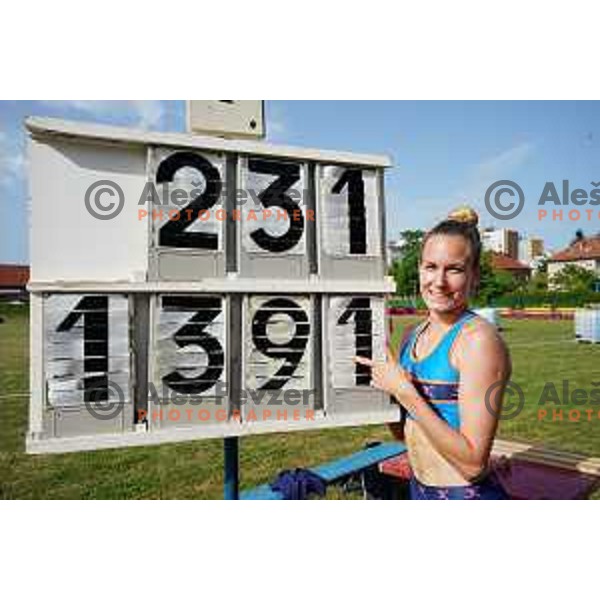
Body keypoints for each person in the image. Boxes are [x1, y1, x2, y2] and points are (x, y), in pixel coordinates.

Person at [355, 207, 511, 499]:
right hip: (420, 490)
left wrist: (404, 392)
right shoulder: (411, 336)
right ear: (419, 269)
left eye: (454, 269)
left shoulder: (478, 342)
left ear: (474, 276)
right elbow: (406, 434)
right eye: (430, 267)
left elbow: (473, 464)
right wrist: (386, 390)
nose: (439, 281)